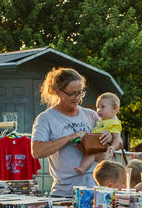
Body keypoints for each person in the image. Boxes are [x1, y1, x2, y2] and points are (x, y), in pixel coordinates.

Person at [30, 68, 117, 197]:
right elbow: (36, 151)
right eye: (72, 94)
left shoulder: (91, 115)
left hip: (95, 191)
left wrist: (108, 137)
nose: (77, 98)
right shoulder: (46, 118)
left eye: (80, 93)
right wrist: (69, 137)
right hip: (65, 193)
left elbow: (106, 151)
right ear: (57, 92)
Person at [74, 92, 123, 175]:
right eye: (97, 107)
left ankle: (96, 172)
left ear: (114, 109)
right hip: (95, 146)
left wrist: (112, 148)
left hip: (104, 150)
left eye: (103, 107)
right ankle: (82, 168)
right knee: (90, 155)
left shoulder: (114, 123)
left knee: (99, 162)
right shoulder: (100, 121)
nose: (99, 110)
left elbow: (117, 138)